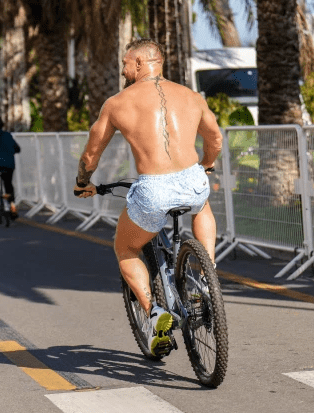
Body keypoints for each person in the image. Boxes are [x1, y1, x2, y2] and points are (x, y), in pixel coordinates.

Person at [73, 39, 222, 355]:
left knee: (125, 247)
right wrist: (206, 166)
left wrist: (82, 181)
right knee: (202, 204)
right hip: (193, 179)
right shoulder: (192, 97)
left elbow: (91, 155)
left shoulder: (117, 103)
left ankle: (156, 313)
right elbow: (215, 139)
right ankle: (208, 276)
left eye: (125, 63)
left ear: (139, 62)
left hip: (153, 188)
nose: (123, 70)